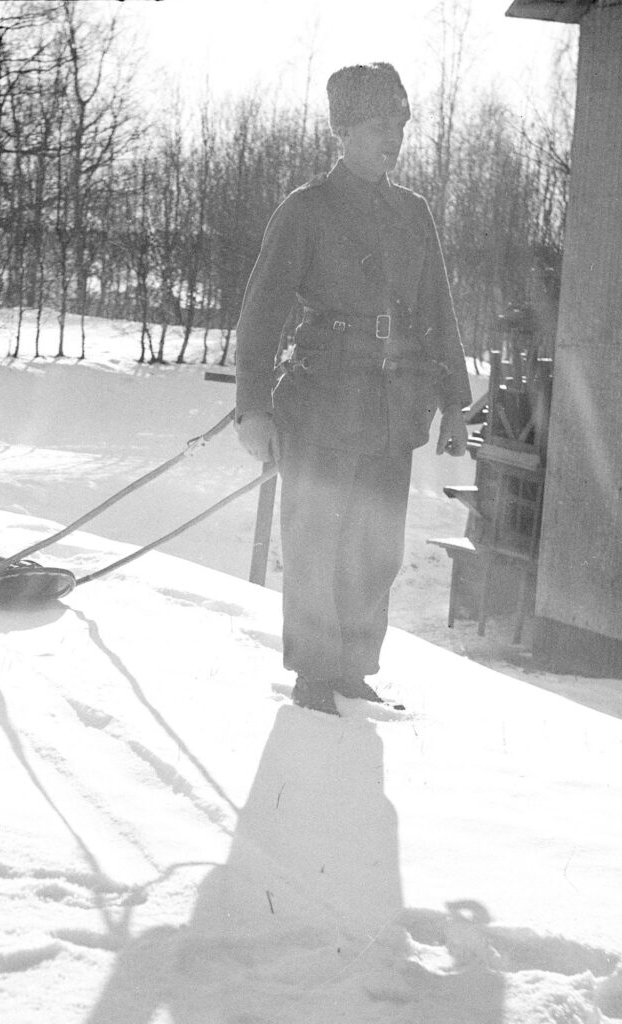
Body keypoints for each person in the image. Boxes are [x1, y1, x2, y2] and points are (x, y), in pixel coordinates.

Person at [234, 63, 471, 715]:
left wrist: (455, 399)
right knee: (317, 539)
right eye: (376, 126)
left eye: (398, 125)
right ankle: (315, 675)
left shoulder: (413, 213)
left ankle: (353, 671)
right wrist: (251, 409)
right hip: (321, 395)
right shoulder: (305, 208)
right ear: (343, 131)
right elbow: (261, 312)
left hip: (393, 401)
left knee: (375, 545)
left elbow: (437, 310)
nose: (390, 138)